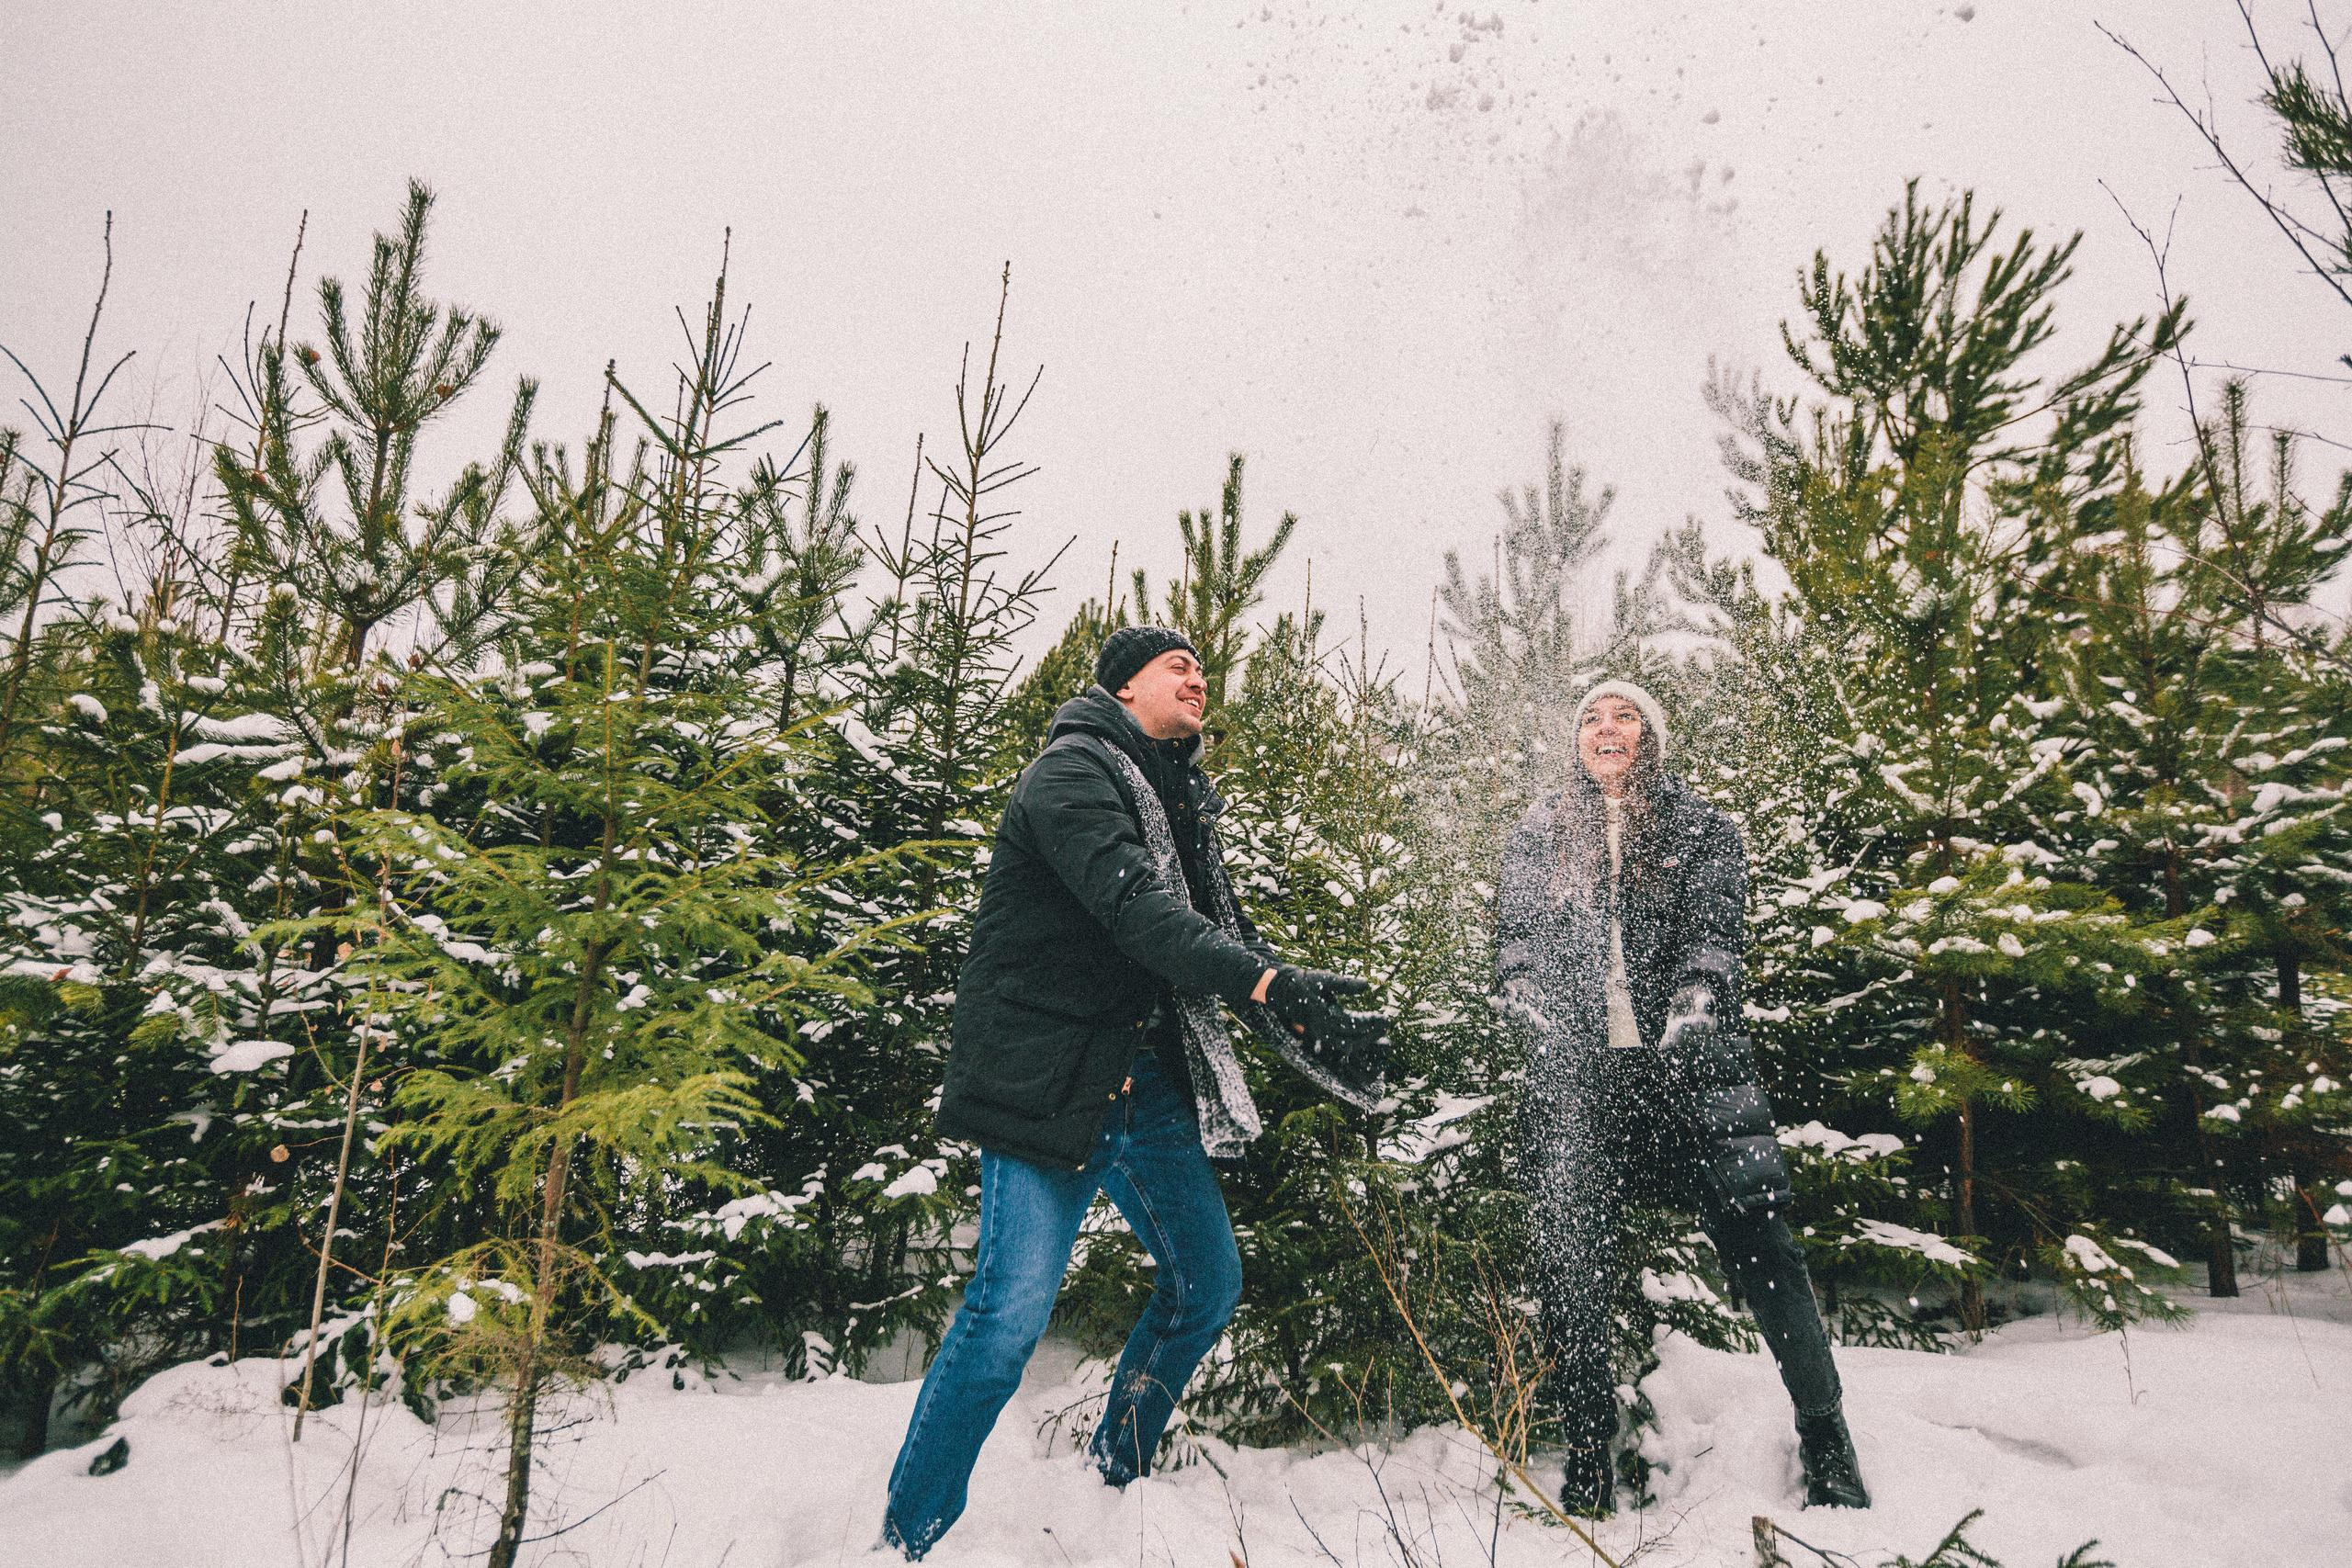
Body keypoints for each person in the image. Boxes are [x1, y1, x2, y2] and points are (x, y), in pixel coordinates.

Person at [880, 626, 1391, 1560]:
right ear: (1122, 687)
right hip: (1053, 1085)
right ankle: (908, 1535)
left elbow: (1208, 928)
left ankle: (1114, 1473)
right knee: (1006, 1317)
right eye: (1176, 666)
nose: (1197, 678)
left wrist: (1297, 1003)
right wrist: (1266, 984)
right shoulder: (1069, 774)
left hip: (1145, 1087)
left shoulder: (1175, 796)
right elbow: (1137, 914)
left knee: (1205, 1285)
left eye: (1202, 668)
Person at [1495, 679, 1869, 1517]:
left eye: (1624, 714)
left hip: (1692, 1071)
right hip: (1587, 1079)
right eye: (1590, 716)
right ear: (1575, 743)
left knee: (1767, 1245)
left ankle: (1826, 1432)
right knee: (1569, 1252)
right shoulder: (1541, 833)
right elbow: (1515, 926)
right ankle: (1589, 1449)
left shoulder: (1704, 829)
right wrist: (1517, 978)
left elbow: (1715, 929)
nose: (1606, 726)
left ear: (1651, 736)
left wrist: (1700, 991)